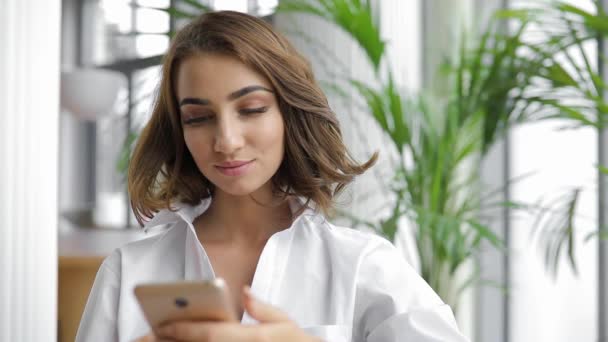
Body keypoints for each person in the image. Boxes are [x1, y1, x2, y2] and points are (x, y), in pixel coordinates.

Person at [76, 10, 469, 342]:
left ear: (289, 113)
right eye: (198, 117)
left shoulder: (363, 265)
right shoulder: (129, 269)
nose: (226, 141)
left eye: (251, 109)